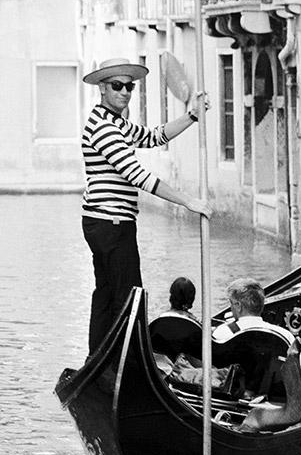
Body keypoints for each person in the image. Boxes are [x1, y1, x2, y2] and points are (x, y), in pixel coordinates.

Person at [79, 57, 209, 353]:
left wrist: (192, 116)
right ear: (102, 88)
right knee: (128, 296)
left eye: (129, 86)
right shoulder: (104, 128)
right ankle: (118, 360)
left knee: (108, 293)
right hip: (110, 222)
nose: (125, 92)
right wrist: (188, 202)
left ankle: (99, 356)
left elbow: (154, 136)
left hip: (106, 222)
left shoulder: (117, 123)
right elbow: (138, 176)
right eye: (117, 86)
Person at [148, 276, 202, 365]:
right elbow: (199, 363)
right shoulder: (194, 327)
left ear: (171, 296)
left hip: (157, 367)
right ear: (192, 298)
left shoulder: (158, 321)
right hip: (180, 373)